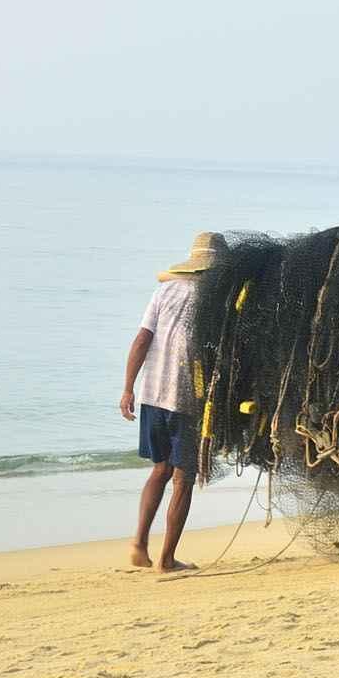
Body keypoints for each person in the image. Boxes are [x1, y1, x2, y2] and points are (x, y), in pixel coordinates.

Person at [119, 232, 223, 574]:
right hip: (186, 400)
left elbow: (141, 339)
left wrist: (128, 388)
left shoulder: (163, 291)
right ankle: (166, 560)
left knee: (159, 470)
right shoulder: (213, 298)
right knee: (183, 478)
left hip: (151, 393)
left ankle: (139, 544)